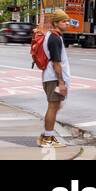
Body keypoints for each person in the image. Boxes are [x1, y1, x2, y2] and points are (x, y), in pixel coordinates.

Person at [37, 9, 71, 148]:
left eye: (67, 20)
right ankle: (47, 138)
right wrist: (61, 82)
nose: (67, 23)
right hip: (54, 79)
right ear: (56, 23)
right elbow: (56, 63)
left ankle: (46, 135)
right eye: (63, 21)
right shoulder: (54, 39)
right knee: (53, 107)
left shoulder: (54, 36)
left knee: (56, 106)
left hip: (51, 78)